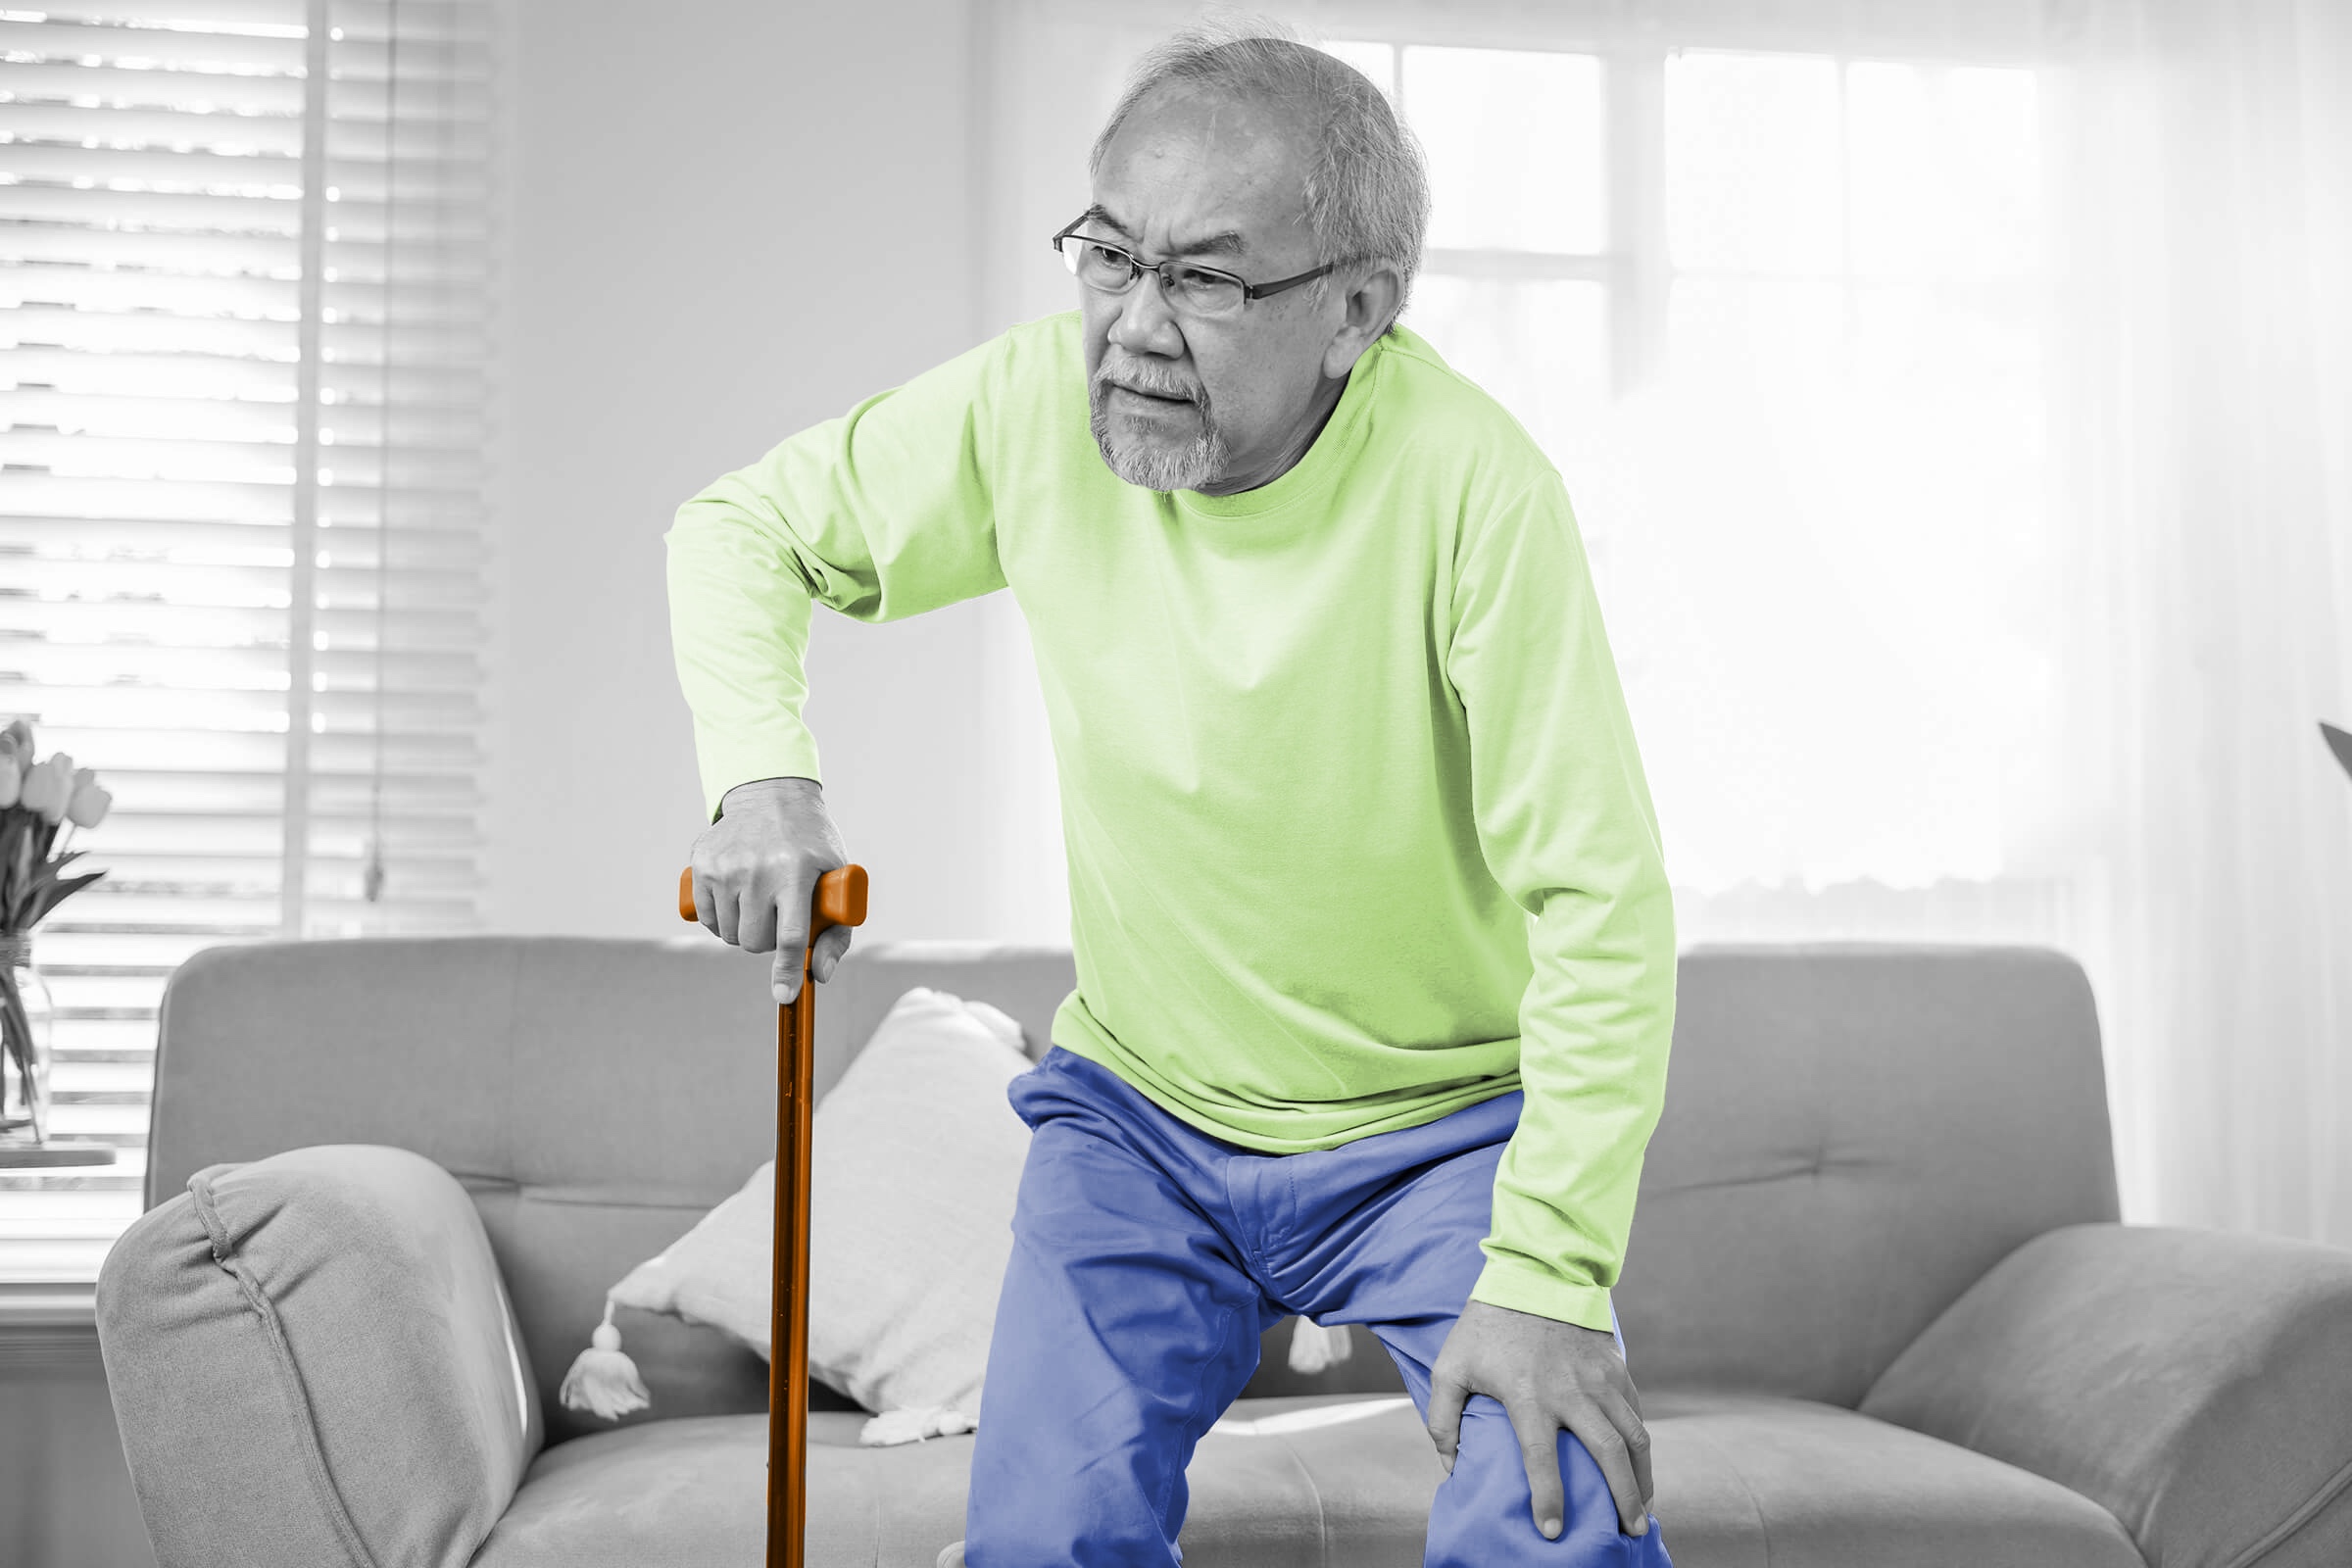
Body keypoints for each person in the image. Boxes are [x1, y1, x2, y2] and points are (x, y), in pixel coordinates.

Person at [666, 20, 1678, 1568]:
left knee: (1553, 1526)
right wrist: (761, 780)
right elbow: (741, 532)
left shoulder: (1475, 489)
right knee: (1042, 1543)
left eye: (1205, 279)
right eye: (1108, 255)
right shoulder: (1029, 411)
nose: (1132, 326)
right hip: (1141, 1120)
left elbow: (1604, 908)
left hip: (1437, 1134)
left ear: (1356, 311)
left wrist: (1546, 1277)